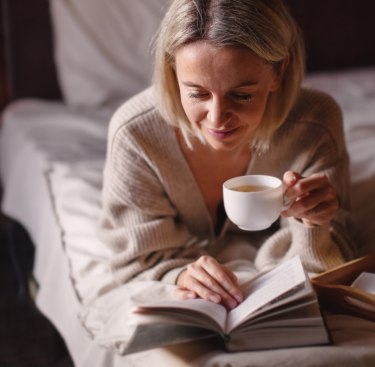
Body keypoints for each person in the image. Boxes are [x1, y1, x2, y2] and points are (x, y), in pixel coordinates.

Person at [98, 0, 356, 311]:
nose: (218, 119)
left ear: (279, 71)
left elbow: (336, 251)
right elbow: (136, 255)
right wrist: (180, 274)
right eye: (197, 93)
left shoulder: (314, 123)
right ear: (172, 69)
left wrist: (313, 225)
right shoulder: (136, 136)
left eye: (242, 95)